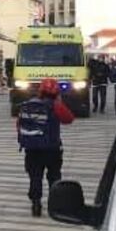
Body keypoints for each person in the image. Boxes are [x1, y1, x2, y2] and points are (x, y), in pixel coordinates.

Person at [17, 77, 74, 217]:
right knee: (54, 176)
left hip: (32, 149)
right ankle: (54, 205)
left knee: (35, 177)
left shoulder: (29, 104)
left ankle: (36, 203)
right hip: (52, 149)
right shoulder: (56, 105)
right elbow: (69, 119)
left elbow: (19, 124)